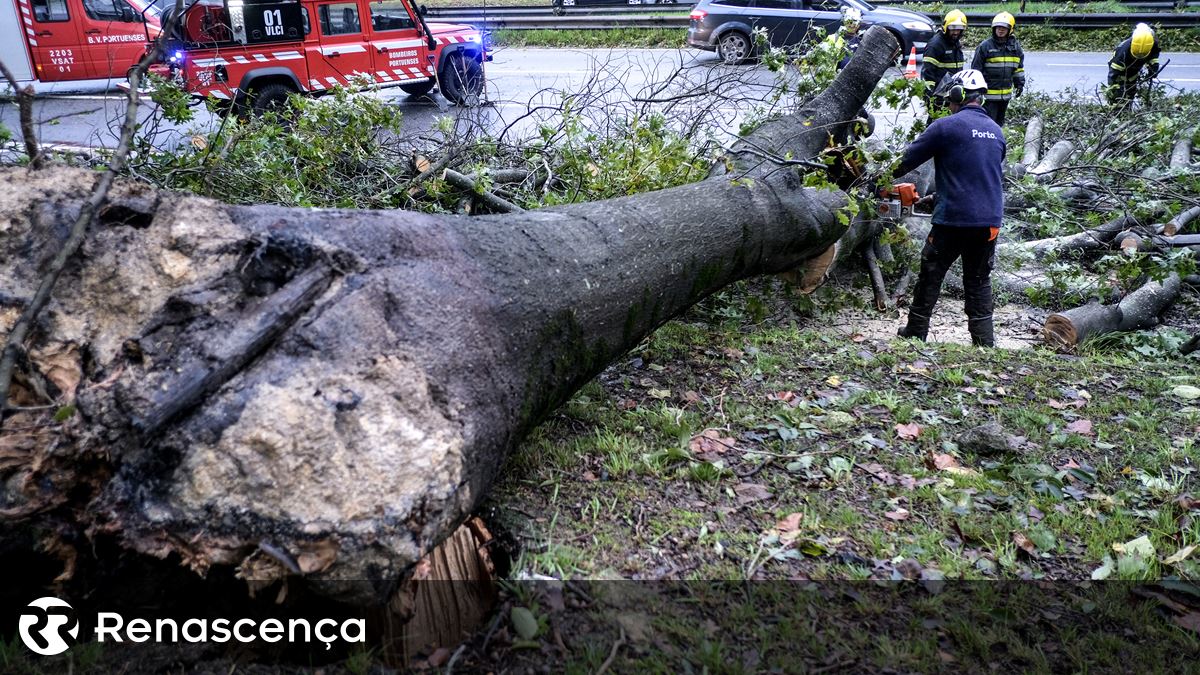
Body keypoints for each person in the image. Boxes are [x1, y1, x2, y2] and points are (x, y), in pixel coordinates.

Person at [893, 69, 1007, 347]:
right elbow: (977, 175)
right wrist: (936, 197)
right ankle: (984, 342)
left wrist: (873, 179)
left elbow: (903, 163)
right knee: (978, 280)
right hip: (989, 221)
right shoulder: (996, 131)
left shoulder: (946, 126)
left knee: (931, 272)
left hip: (954, 220)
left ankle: (916, 331)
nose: (949, 103)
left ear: (958, 95)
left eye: (950, 98)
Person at [972, 12, 1026, 126]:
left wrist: (1019, 84)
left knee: (999, 125)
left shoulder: (1015, 48)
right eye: (998, 27)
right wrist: (977, 92)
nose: (1000, 30)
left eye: (1004, 28)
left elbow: (1018, 69)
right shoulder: (985, 46)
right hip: (988, 97)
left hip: (1005, 97)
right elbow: (976, 71)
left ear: (1010, 29)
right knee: (988, 125)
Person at [1107, 23, 1161, 106]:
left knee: (1130, 92)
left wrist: (1153, 68)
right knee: (1118, 97)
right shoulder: (1121, 53)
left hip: (1134, 71)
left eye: (1142, 55)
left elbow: (1154, 56)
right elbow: (1113, 76)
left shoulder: (1152, 44)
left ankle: (1127, 109)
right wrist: (1116, 92)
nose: (1139, 56)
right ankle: (1117, 112)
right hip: (1121, 71)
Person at [922, 10, 968, 100]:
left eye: (959, 29)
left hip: (952, 93)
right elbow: (928, 73)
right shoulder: (935, 45)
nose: (956, 32)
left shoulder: (955, 43)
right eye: (953, 29)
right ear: (946, 27)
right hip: (939, 96)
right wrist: (930, 96)